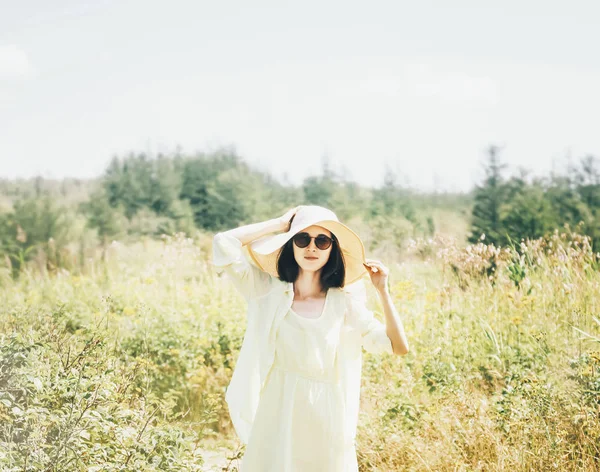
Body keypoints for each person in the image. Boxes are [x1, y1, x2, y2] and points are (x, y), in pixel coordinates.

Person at [212, 205, 409, 471]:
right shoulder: (266, 291)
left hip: (325, 413)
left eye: (322, 241)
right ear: (290, 244)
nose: (311, 248)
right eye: (302, 239)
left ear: (332, 249)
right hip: (277, 408)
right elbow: (224, 243)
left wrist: (383, 291)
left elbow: (398, 347)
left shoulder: (344, 303)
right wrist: (279, 224)